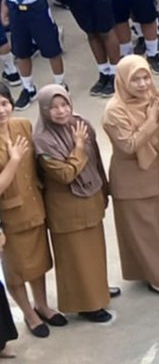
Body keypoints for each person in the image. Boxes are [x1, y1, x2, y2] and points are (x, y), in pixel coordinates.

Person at [101, 56, 159, 298]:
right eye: (135, 79)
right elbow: (129, 145)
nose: (142, 84)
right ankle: (158, 279)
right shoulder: (114, 111)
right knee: (144, 229)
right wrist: (150, 121)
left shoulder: (155, 97)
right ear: (123, 80)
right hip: (132, 179)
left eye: (146, 76)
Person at [34, 85, 112, 321]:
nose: (60, 111)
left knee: (95, 252)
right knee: (76, 258)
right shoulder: (42, 140)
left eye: (64, 104)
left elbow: (96, 158)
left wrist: (104, 189)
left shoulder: (81, 125)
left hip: (90, 199)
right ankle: (87, 305)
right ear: (44, 110)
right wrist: (78, 146)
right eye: (53, 107)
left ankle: (98, 291)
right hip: (66, 208)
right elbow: (65, 174)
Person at [0, 84, 61, 338]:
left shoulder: (23, 125)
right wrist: (13, 160)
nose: (1, 110)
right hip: (8, 216)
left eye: (4, 103)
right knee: (16, 269)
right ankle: (28, 313)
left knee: (38, 262)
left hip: (34, 205)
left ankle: (42, 305)